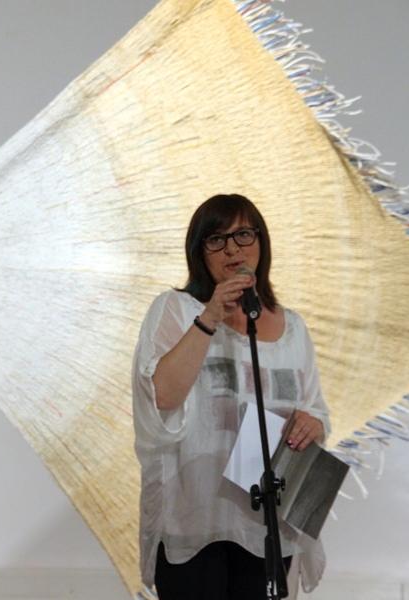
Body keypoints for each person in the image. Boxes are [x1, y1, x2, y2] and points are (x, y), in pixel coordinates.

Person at [132, 194, 330, 599]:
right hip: (195, 516)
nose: (232, 249)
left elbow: (315, 410)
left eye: (243, 235)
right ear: (199, 251)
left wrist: (313, 424)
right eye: (216, 239)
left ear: (261, 242)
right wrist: (209, 316)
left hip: (268, 519)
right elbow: (162, 396)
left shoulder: (293, 327)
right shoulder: (175, 308)